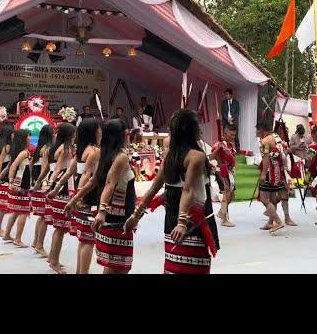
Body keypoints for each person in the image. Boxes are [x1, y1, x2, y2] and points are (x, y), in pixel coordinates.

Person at [126, 110, 219, 274]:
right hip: (191, 222)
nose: (200, 129)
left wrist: (136, 215)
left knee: (173, 268)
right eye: (197, 125)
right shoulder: (196, 156)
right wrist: (182, 223)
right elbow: (188, 190)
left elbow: (154, 188)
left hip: (172, 221)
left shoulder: (171, 154)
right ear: (189, 129)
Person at [91, 119, 136, 274]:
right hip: (117, 215)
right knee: (119, 266)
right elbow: (110, 183)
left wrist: (76, 198)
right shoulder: (121, 157)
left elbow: (95, 180)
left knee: (111, 264)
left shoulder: (106, 154)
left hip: (112, 212)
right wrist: (102, 212)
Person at [62, 118, 102, 273]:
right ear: (94, 132)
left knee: (84, 239)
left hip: (82, 196)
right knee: (88, 241)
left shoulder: (81, 150)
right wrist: (77, 198)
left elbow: (72, 172)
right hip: (88, 196)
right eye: (99, 129)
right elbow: (86, 176)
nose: (101, 132)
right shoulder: (94, 151)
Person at [43, 122, 77, 274]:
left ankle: (52, 257)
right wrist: (52, 186)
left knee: (60, 227)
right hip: (63, 187)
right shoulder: (66, 149)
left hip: (60, 184)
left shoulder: (58, 147)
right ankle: (54, 260)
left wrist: (50, 184)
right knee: (61, 227)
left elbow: (55, 168)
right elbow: (59, 168)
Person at [3, 129, 32, 247]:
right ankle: (18, 238)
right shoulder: (23, 153)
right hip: (21, 184)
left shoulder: (20, 151)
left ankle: (7, 234)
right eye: (28, 136)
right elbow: (13, 166)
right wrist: (11, 181)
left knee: (16, 211)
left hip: (19, 182)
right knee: (24, 212)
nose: (30, 138)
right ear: (23, 138)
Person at [255, 121, 285, 233]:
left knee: (263, 198)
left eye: (257, 130)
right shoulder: (276, 136)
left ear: (262, 130)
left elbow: (266, 159)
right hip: (277, 171)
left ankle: (278, 221)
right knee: (272, 198)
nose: (256, 132)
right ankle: (270, 222)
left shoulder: (264, 141)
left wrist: (263, 174)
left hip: (269, 172)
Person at [30, 125, 54, 257]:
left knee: (41, 216)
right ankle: (39, 244)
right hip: (43, 184)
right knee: (44, 216)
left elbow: (33, 166)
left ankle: (36, 241)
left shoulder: (38, 148)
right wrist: (45, 183)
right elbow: (46, 167)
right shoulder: (47, 148)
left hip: (37, 182)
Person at [212, 125, 237, 227]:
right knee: (226, 194)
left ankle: (221, 212)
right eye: (231, 135)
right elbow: (211, 156)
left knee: (232, 195)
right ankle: (224, 219)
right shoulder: (218, 144)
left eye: (234, 135)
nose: (233, 137)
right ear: (225, 134)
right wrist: (218, 149)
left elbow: (233, 157)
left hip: (229, 172)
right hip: (221, 171)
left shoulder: (230, 145)